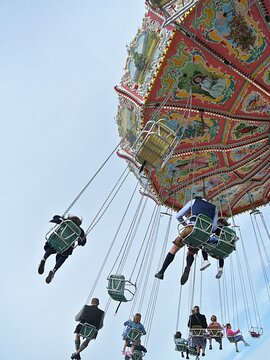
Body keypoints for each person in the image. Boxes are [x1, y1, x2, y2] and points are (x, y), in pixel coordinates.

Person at [155, 196, 218, 285]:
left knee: (174, 249)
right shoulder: (215, 208)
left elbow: (178, 216)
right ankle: (188, 267)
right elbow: (214, 228)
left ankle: (161, 272)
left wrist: (185, 224)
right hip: (204, 235)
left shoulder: (194, 201)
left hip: (191, 228)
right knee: (191, 252)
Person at [38, 214, 86, 283]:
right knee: (63, 257)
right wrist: (80, 239)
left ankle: (44, 258)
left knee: (51, 247)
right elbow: (83, 242)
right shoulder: (80, 231)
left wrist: (63, 218)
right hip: (65, 248)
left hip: (55, 241)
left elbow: (55, 218)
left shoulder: (65, 221)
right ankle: (54, 270)